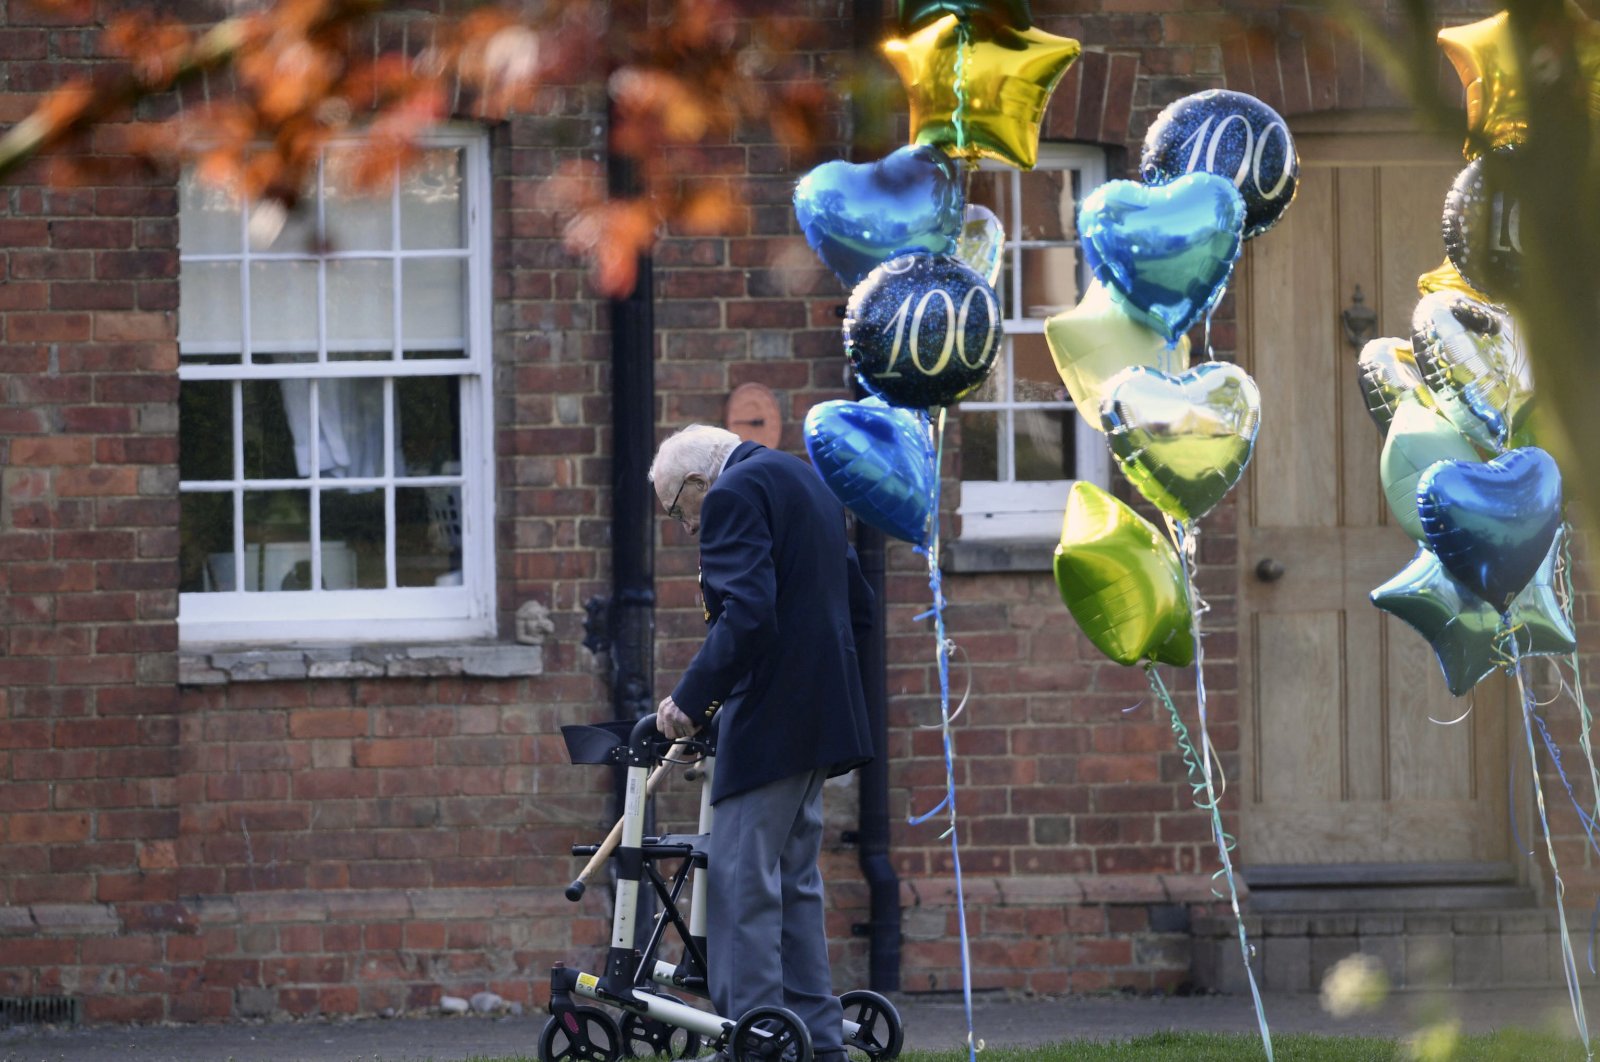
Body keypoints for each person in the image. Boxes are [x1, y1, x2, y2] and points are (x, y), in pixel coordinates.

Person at [649, 424, 875, 1062]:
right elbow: (859, 603)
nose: (688, 529)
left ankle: (754, 1040)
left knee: (739, 882)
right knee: (795, 882)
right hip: (824, 716)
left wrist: (689, 701)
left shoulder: (731, 494)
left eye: (678, 512)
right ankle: (818, 1041)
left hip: (772, 719)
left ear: (698, 483)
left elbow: (747, 613)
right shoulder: (803, 477)